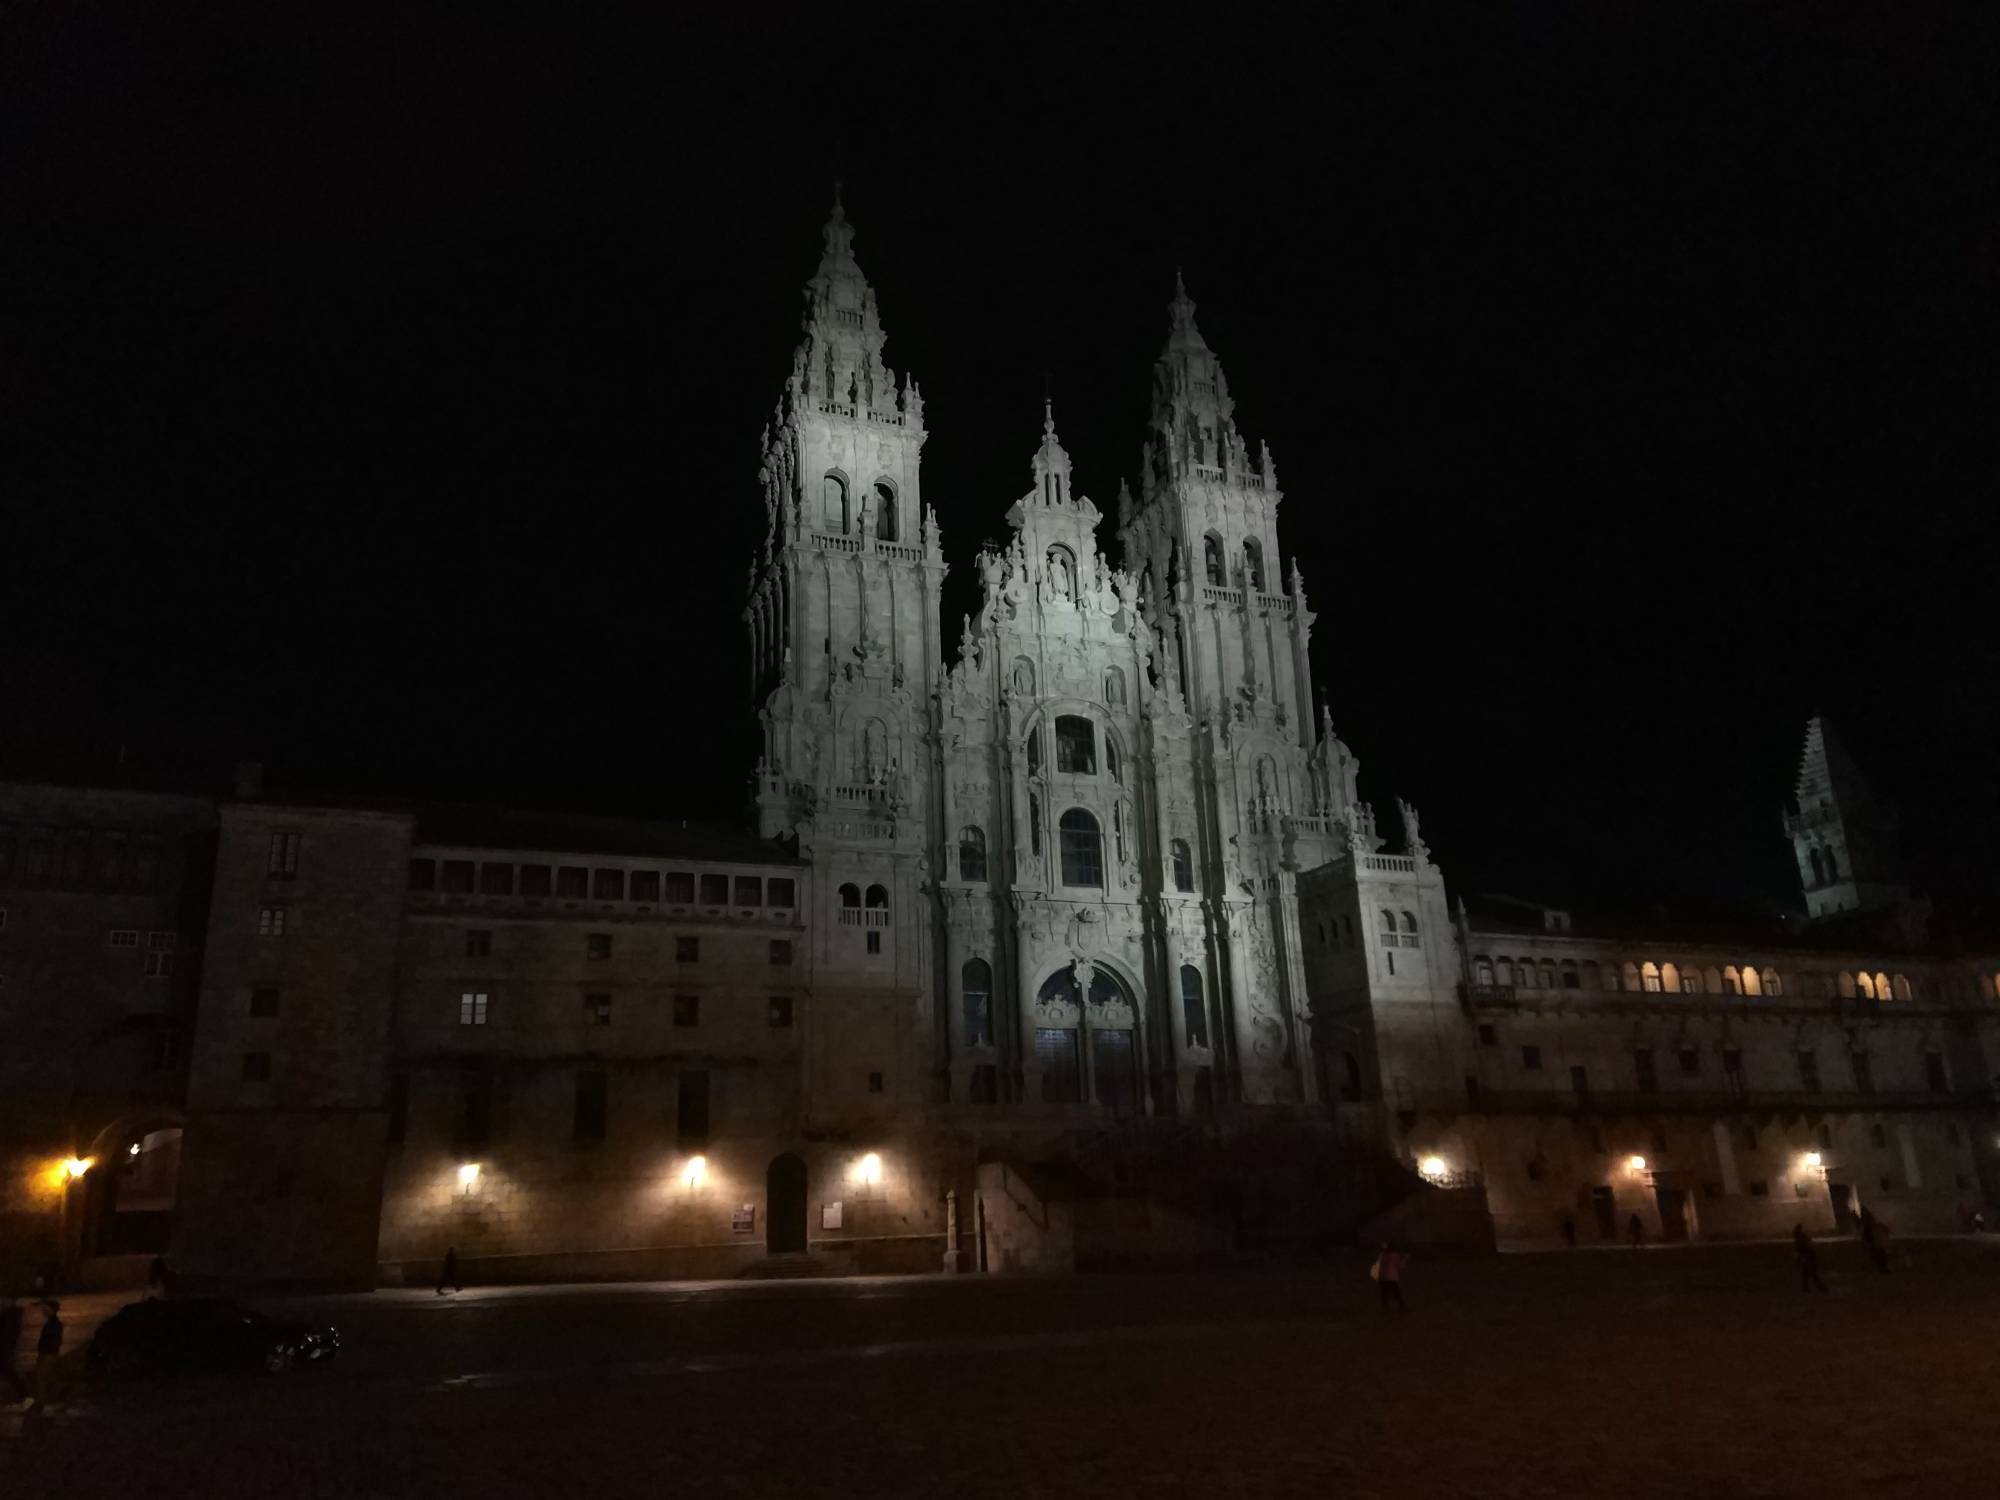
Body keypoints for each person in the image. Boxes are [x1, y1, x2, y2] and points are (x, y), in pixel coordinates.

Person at [31, 1300, 62, 1411]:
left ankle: (41, 1401)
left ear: (52, 1310)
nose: (44, 1311)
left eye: (46, 1309)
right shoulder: (52, 1323)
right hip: (47, 1353)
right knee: (44, 1377)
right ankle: (45, 1398)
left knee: (41, 1377)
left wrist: (45, 1353)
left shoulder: (53, 1324)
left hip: (48, 1354)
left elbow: (51, 1341)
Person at [0, 1295, 29, 1406]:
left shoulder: (9, 1316)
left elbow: (7, 1336)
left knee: (8, 1372)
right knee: (9, 1372)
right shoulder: (11, 1315)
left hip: (4, 1349)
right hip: (6, 1349)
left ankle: (25, 1395)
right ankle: (24, 1395)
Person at [1371, 1243, 1408, 1314]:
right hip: (1392, 1277)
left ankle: (1385, 1309)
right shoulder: (1395, 1256)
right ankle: (1402, 1307)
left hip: (1383, 1277)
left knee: (1384, 1294)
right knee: (1396, 1293)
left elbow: (1378, 1265)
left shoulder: (1382, 1255)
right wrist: (1405, 1259)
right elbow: (1400, 1266)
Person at [1793, 1224, 1828, 1294]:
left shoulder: (1800, 1238)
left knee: (1809, 1274)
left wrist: (1799, 1259)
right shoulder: (1802, 1238)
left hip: (1807, 1258)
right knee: (1811, 1274)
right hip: (1808, 1258)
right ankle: (1819, 1287)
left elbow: (1801, 1250)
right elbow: (1806, 1248)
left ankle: (1811, 1287)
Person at [1860, 1206, 1889, 1273]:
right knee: (1879, 1254)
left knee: (1877, 1254)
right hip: (1874, 1239)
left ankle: (1882, 1268)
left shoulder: (1867, 1220)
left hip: (1873, 1239)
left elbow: (1866, 1231)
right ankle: (1883, 1268)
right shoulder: (1869, 1219)